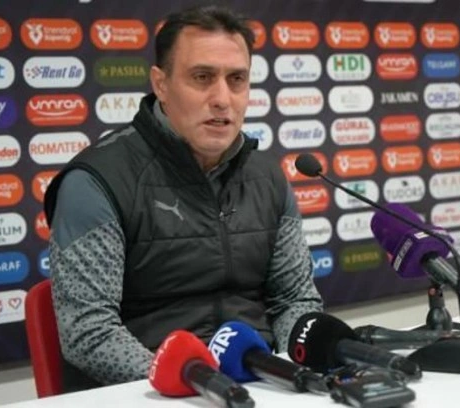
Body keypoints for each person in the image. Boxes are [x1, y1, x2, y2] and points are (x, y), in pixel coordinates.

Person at [43, 5, 323, 393]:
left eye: (237, 79)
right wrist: (201, 383)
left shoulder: (268, 176)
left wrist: (296, 367)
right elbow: (88, 333)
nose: (222, 98)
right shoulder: (96, 181)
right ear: (161, 84)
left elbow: (295, 300)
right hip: (150, 390)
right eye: (202, 77)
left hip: (258, 384)